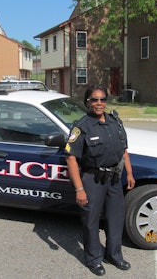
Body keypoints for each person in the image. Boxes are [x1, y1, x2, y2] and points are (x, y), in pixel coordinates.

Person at [65, 84, 135, 276]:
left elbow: (124, 151)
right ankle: (94, 258)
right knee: (91, 221)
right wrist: (79, 189)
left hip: (114, 179)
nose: (99, 103)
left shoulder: (115, 122)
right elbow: (71, 159)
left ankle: (114, 254)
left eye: (102, 99)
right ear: (87, 102)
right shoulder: (81, 127)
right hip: (92, 180)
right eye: (94, 99)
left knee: (116, 218)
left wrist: (129, 173)